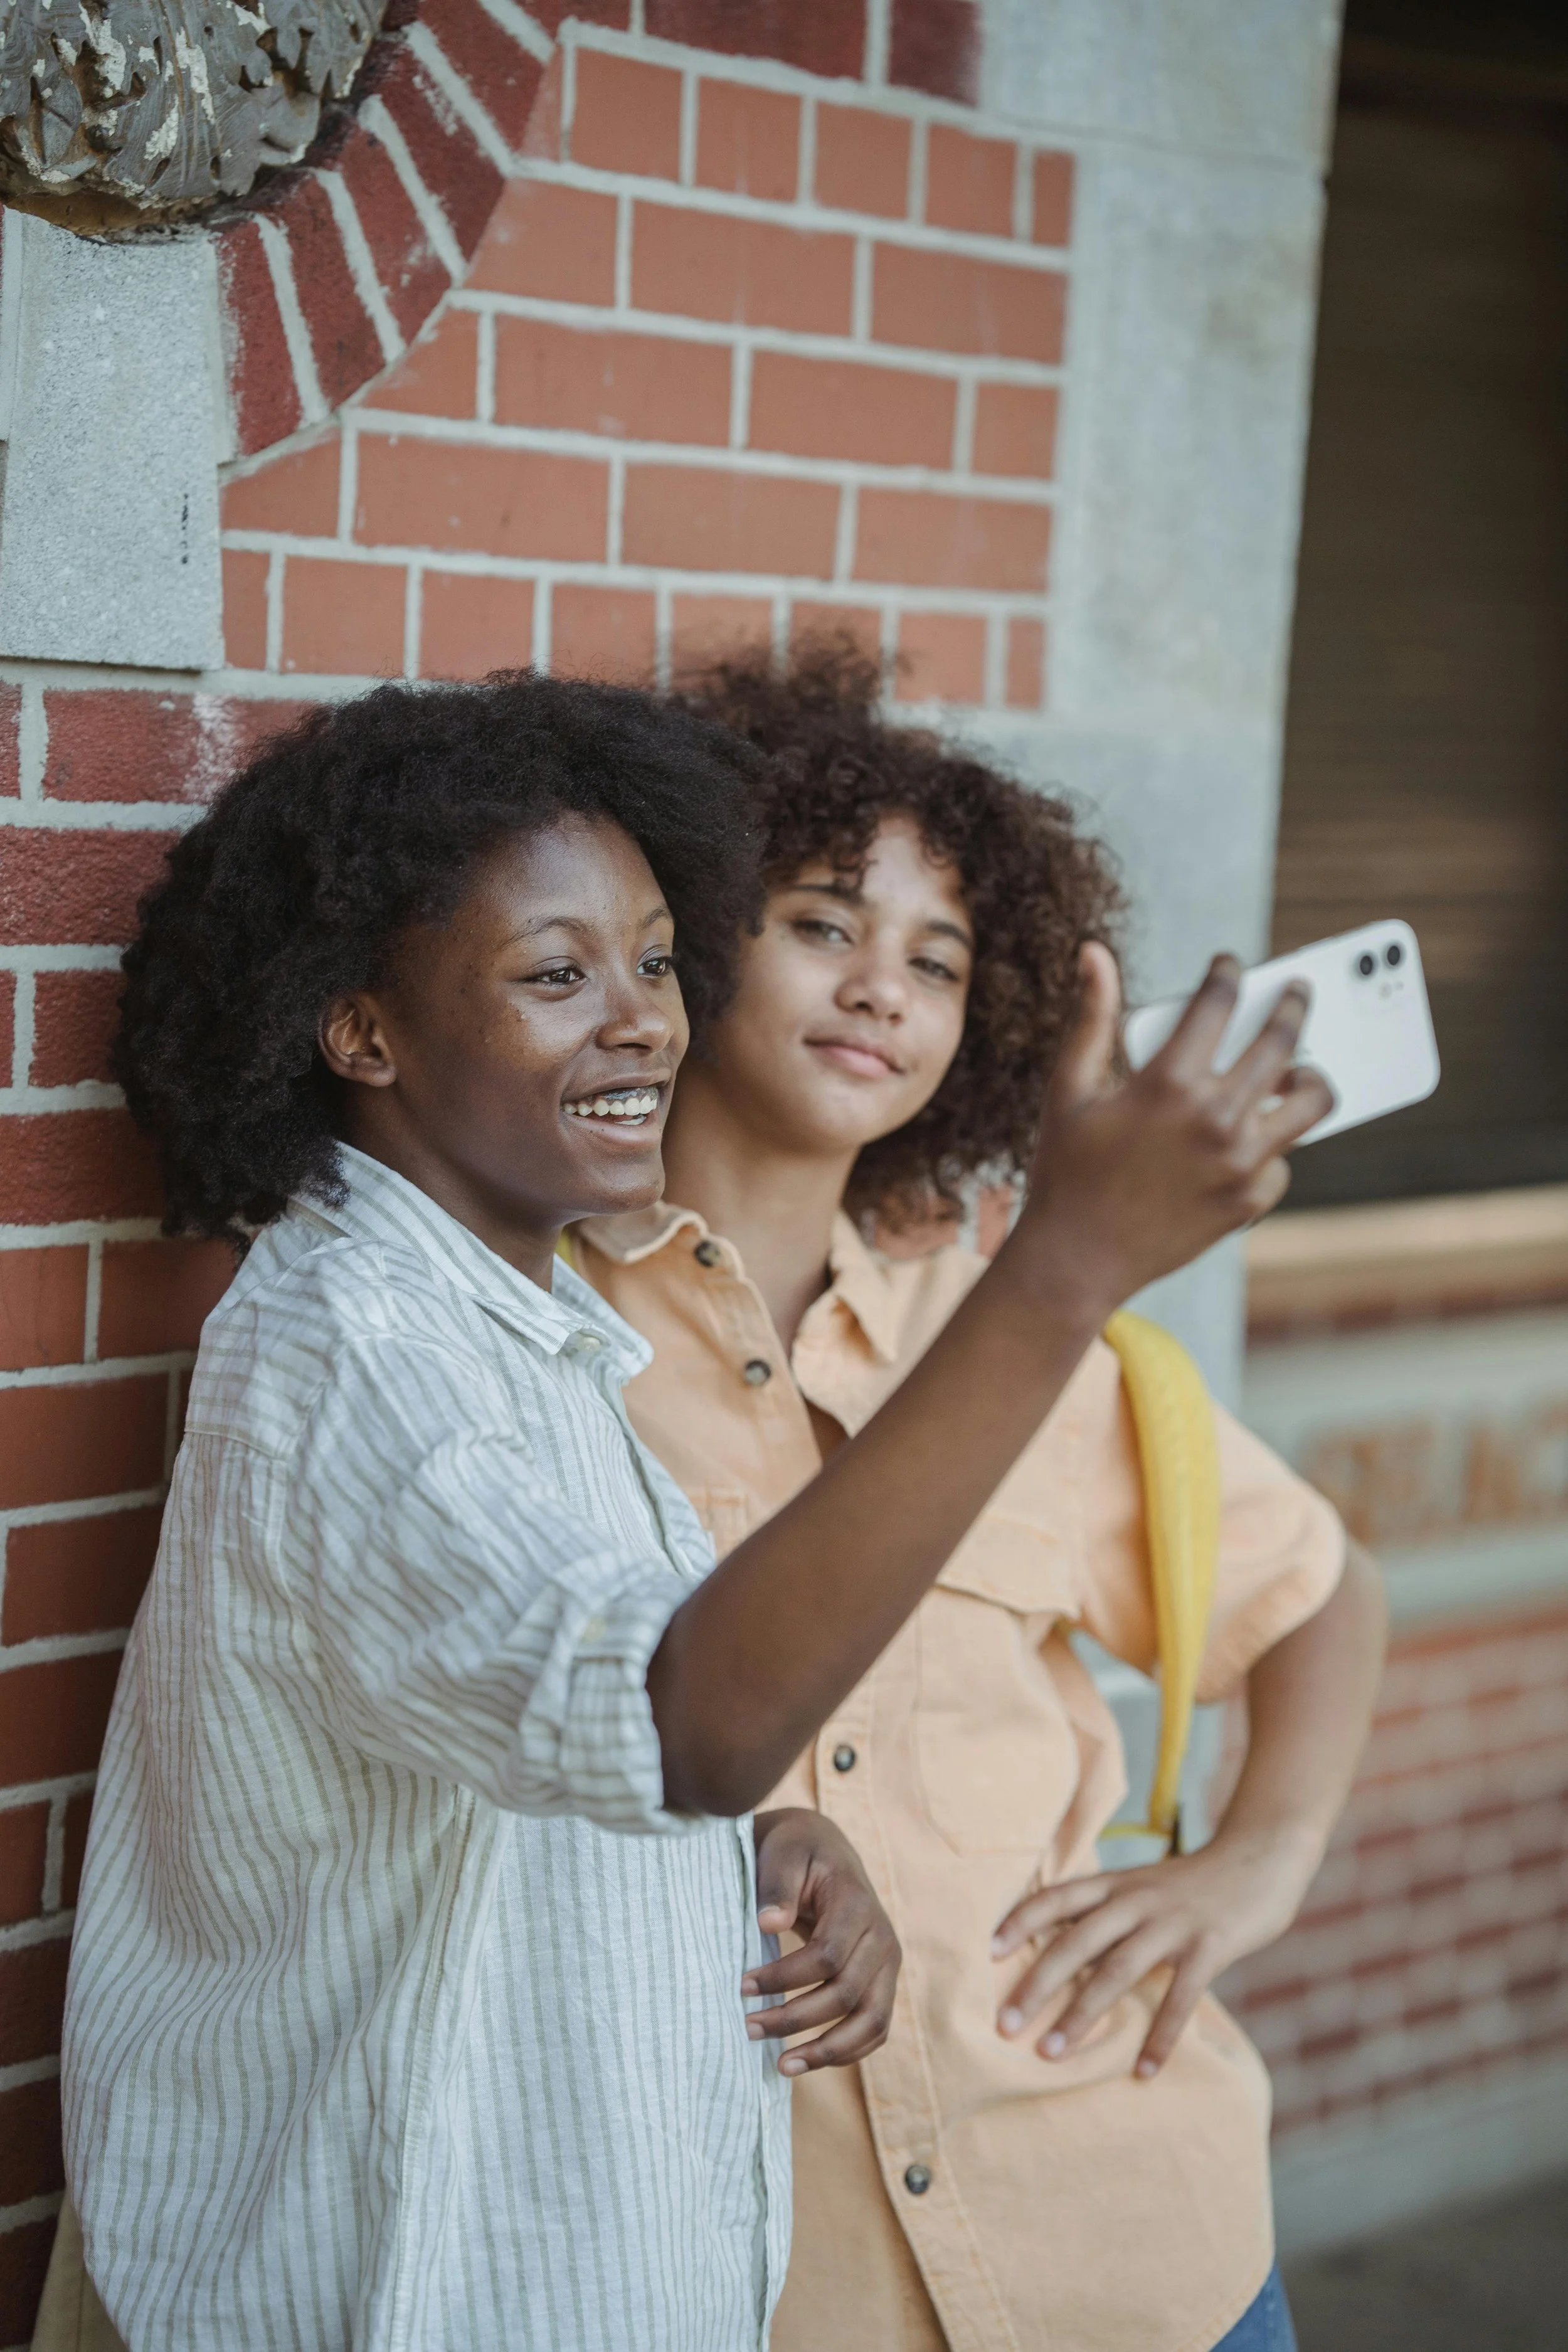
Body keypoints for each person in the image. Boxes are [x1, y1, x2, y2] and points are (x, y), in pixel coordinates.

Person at [56, 671, 1329, 2352]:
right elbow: (688, 1716)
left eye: (655, 960)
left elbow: (552, 1731)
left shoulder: (528, 1338)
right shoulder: (358, 1355)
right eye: (556, 972)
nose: (643, 1016)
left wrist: (747, 1849)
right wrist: (1069, 1262)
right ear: (362, 1029)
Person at [568, 644, 1389, 2352]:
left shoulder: (1009, 1335)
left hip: (1143, 2246)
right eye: (819, 921)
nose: (880, 986)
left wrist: (1257, 1861)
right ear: (686, 931)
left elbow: (1316, 1590)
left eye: (934, 961)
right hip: (761, 2283)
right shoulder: (531, 1338)